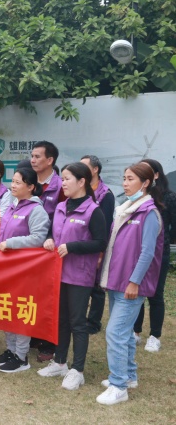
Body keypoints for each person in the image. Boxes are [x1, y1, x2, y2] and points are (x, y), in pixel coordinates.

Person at [96, 162, 164, 405]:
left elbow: (147, 252)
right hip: (116, 280)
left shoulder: (149, 213)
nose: (125, 183)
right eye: (124, 178)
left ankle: (118, 385)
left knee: (115, 332)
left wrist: (135, 282)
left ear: (145, 183)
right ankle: (129, 376)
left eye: (131, 179)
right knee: (123, 333)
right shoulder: (125, 209)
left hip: (131, 285)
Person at [37, 162, 107, 390]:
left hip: (79, 275)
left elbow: (100, 242)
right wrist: (49, 239)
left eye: (67, 179)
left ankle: (77, 370)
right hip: (58, 273)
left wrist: (73, 246)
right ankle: (59, 362)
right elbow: (53, 231)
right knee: (61, 320)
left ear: (82, 181)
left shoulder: (93, 210)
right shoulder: (60, 207)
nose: (63, 183)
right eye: (63, 179)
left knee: (77, 322)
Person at [0, 167, 50, 373]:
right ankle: (11, 350)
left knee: (21, 312)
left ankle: (21, 357)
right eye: (12, 181)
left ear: (30, 187)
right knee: (6, 309)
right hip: (6, 269)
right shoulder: (13, 206)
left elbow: (38, 238)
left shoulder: (36, 210)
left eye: (18, 182)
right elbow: (4, 232)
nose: (12, 186)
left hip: (24, 271)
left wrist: (11, 243)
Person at [133, 158, 175, 353]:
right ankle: (135, 332)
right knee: (136, 290)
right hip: (137, 251)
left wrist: (164, 240)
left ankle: (154, 336)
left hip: (159, 253)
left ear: (156, 175)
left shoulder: (169, 197)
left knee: (155, 294)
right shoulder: (137, 196)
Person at [30, 140, 65, 361]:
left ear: (50, 160)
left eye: (38, 156)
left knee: (49, 297)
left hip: (50, 250)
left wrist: (52, 238)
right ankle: (34, 336)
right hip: (29, 249)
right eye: (32, 156)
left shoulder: (61, 186)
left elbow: (64, 218)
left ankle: (49, 344)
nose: (33, 160)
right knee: (31, 294)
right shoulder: (28, 181)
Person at [80, 155, 115, 335]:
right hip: (81, 243)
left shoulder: (106, 194)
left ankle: (94, 322)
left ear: (95, 170)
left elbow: (106, 225)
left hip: (97, 244)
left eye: (85, 166)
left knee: (97, 285)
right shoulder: (81, 189)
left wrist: (101, 252)